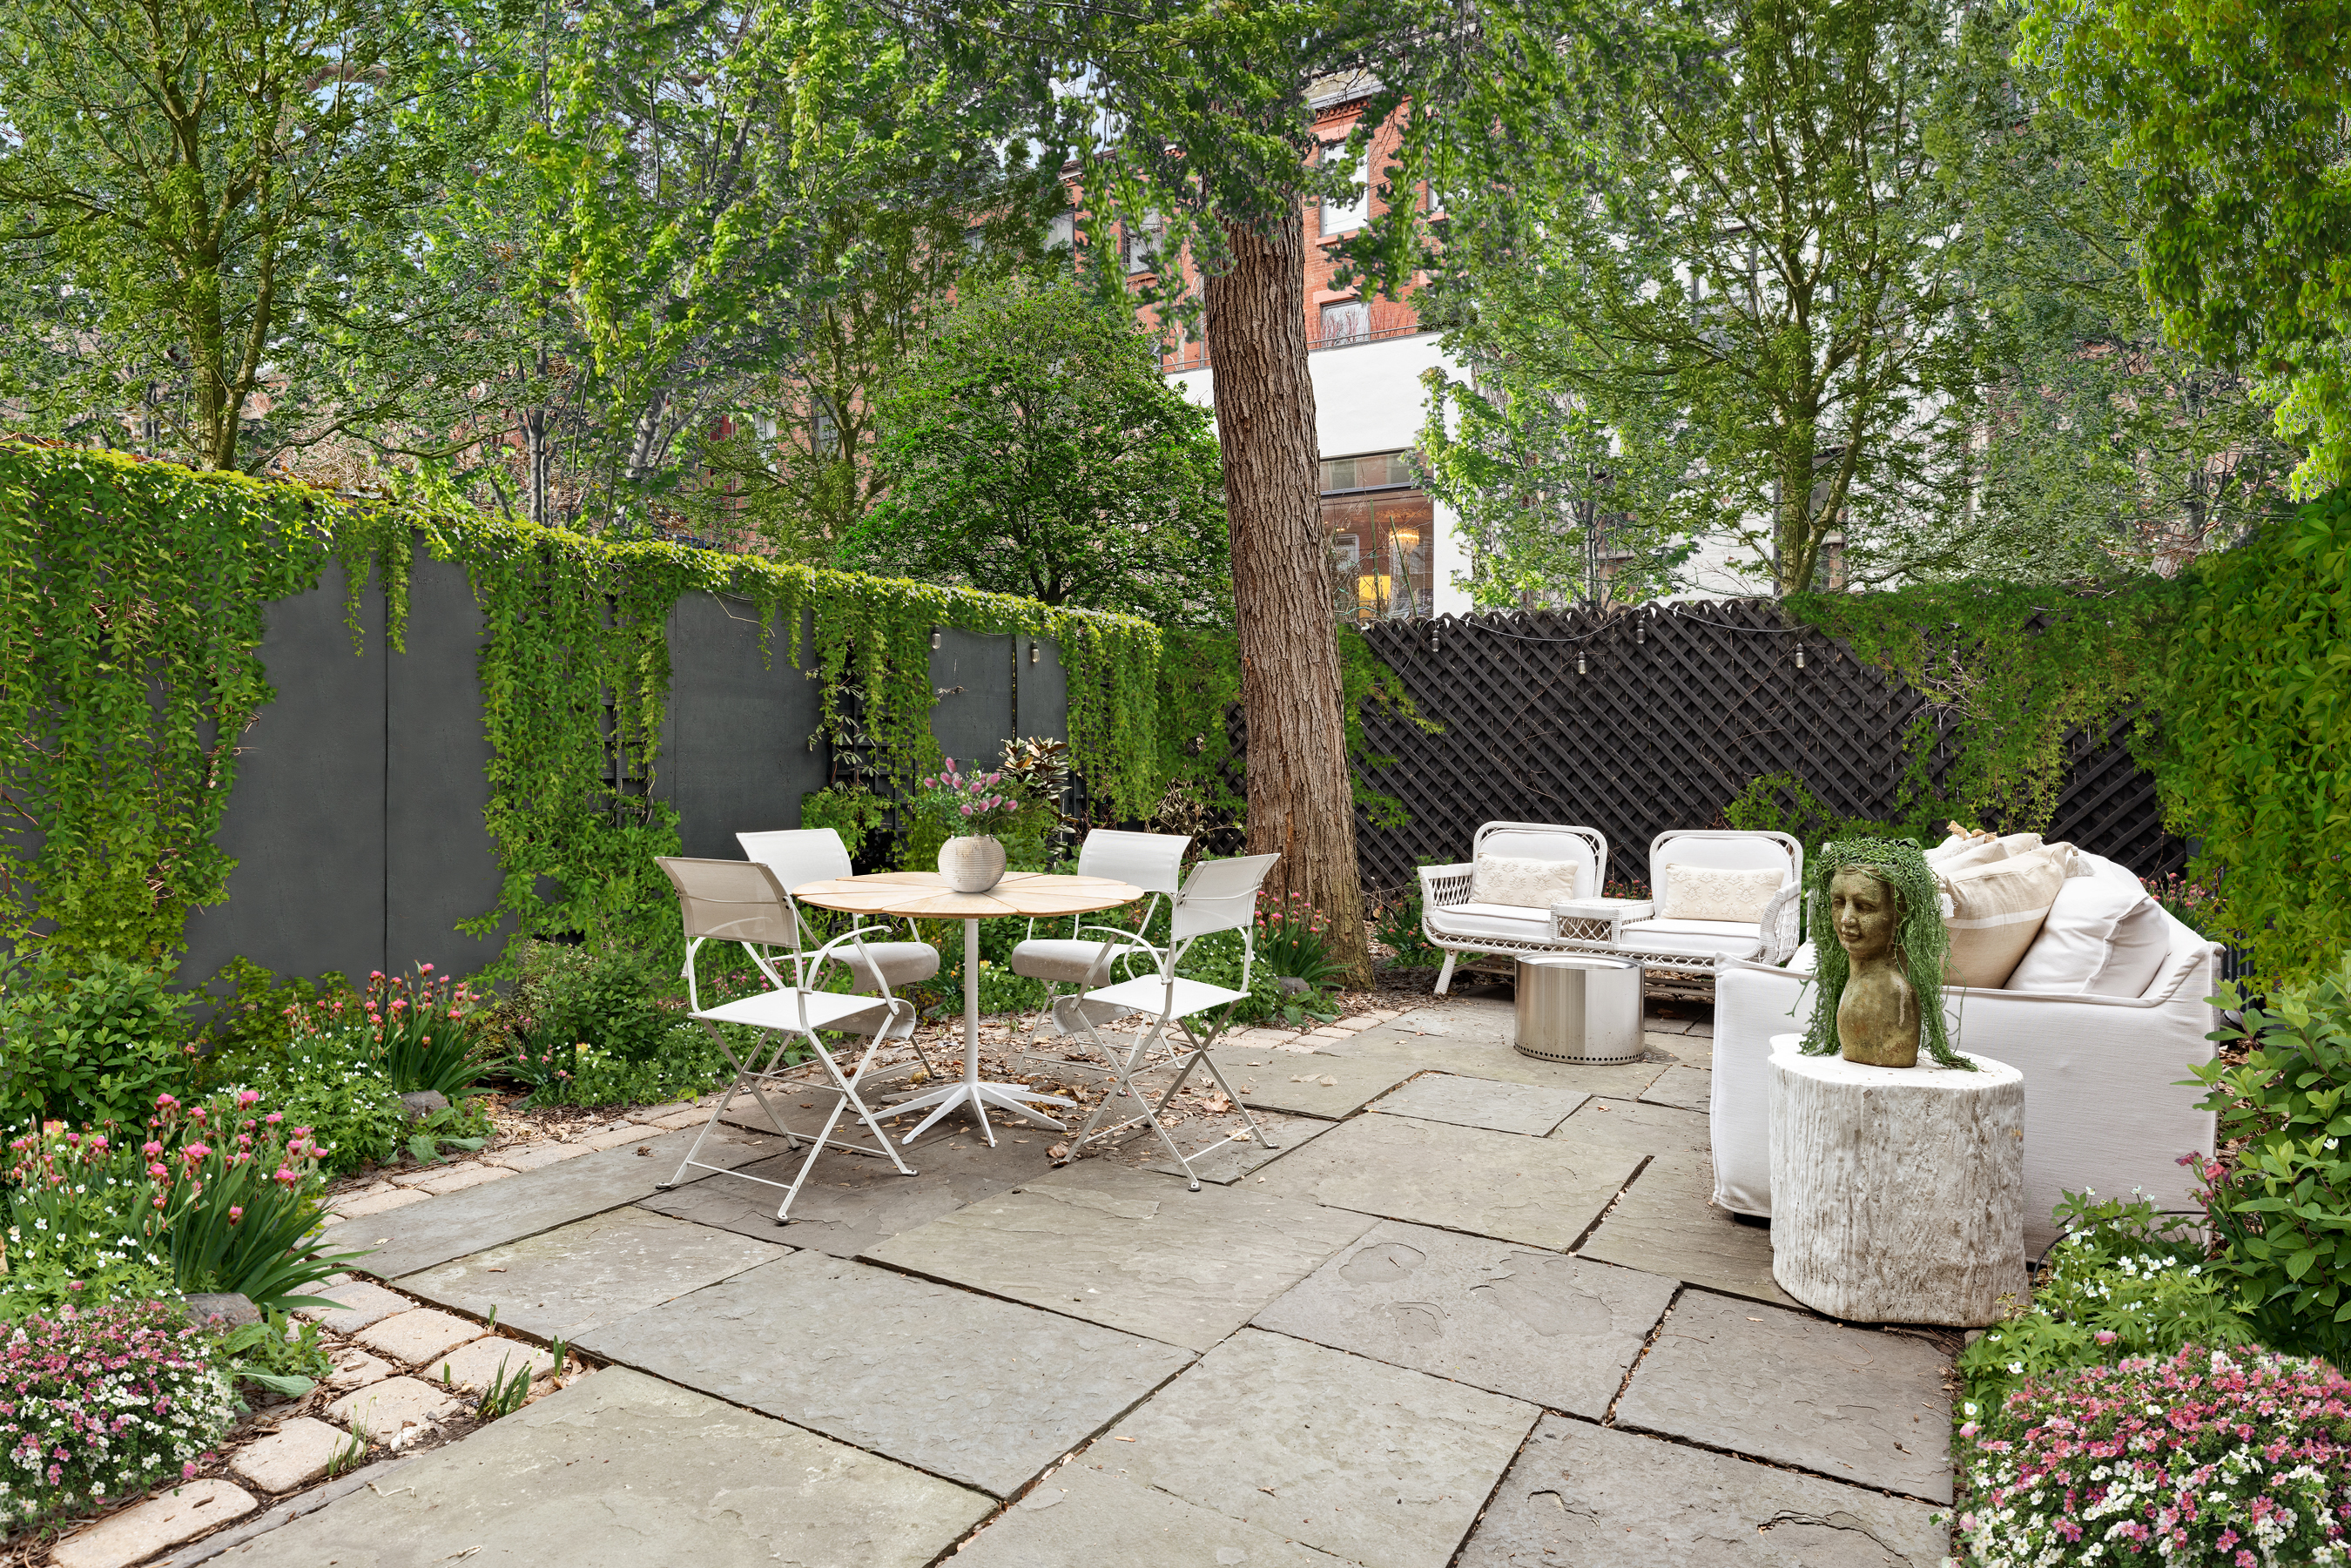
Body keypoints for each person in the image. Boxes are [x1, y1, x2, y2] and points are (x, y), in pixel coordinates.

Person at [1798, 838, 1971, 1070]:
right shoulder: (1856, 984)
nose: (1846, 918)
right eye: (1839, 902)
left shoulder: (1893, 995)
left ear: (1900, 915)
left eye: (1865, 907)